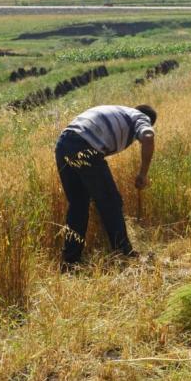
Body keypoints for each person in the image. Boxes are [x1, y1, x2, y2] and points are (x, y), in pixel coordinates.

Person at [55, 104, 156, 269]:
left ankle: (70, 262)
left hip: (63, 144)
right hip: (85, 145)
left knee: (78, 206)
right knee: (111, 202)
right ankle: (124, 254)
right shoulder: (140, 117)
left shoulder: (120, 110)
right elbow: (148, 135)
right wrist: (143, 173)